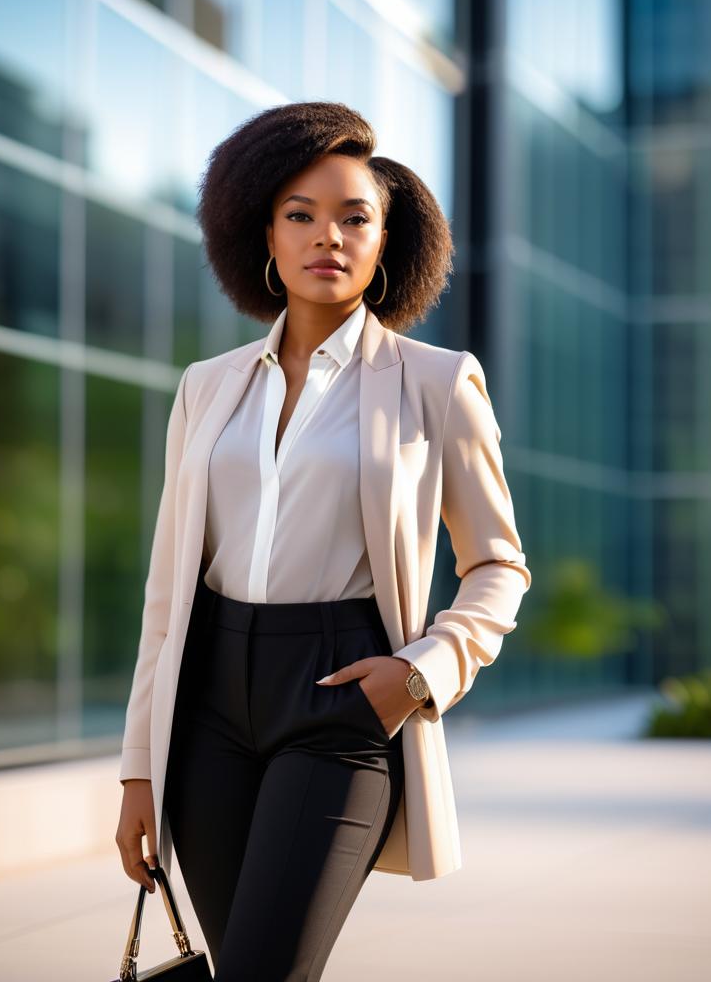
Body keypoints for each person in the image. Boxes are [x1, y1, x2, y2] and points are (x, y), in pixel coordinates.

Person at [115, 101, 532, 980]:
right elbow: (167, 595)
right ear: (265, 233)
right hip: (207, 708)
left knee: (269, 967)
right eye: (300, 215)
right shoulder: (206, 387)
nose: (327, 237)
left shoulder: (438, 384)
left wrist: (421, 671)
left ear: (387, 244)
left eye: (355, 219)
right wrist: (138, 769)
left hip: (344, 698)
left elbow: (498, 563)